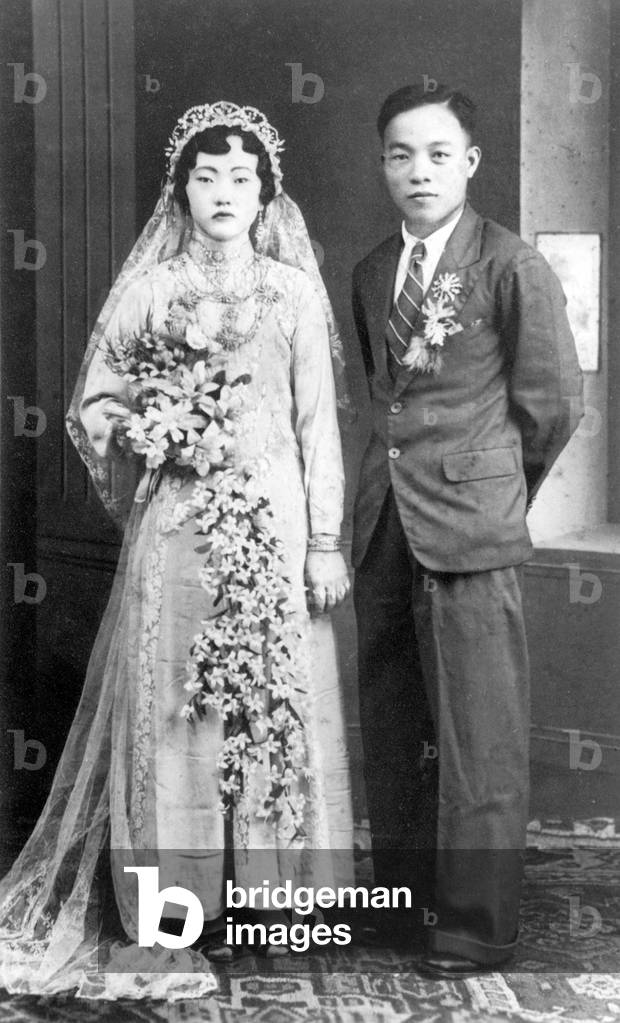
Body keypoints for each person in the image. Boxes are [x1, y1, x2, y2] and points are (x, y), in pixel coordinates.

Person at [0, 101, 353, 998]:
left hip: (275, 526)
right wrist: (153, 432)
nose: (223, 192)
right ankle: (176, 909)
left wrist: (322, 541)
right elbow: (94, 404)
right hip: (178, 534)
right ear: (181, 189)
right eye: (206, 175)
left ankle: (277, 904)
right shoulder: (153, 290)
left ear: (267, 190)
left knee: (275, 697)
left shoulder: (295, 291)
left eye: (241, 176)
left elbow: (318, 425)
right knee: (178, 712)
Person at [351, 84, 583, 976]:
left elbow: (553, 406)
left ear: (471, 163)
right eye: (401, 154)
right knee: (394, 727)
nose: (418, 172)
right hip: (383, 530)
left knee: (479, 738)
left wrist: (490, 491)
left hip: (472, 533)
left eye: (438, 154)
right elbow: (385, 402)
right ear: (383, 164)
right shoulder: (373, 271)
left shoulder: (509, 265)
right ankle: (405, 907)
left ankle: (476, 926)